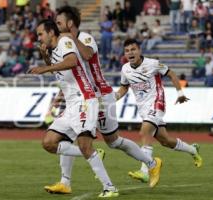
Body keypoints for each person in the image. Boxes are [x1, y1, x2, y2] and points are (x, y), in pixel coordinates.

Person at [42, 6, 162, 194]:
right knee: (72, 135)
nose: (57, 26)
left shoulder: (84, 38)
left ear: (70, 23)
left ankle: (151, 163)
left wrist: (72, 38)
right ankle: (65, 181)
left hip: (101, 95)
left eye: (59, 23)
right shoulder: (62, 42)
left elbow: (88, 55)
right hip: (83, 96)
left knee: (113, 141)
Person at [27, 19, 118, 198]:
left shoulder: (64, 41)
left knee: (84, 145)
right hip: (71, 104)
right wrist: (46, 57)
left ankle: (110, 187)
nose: (38, 37)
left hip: (85, 99)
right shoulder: (53, 49)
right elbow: (59, 72)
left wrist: (45, 67)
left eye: (40, 34)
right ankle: (81, 167)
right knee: (49, 142)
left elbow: (72, 61)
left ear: (51, 33)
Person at [115, 39, 203, 183]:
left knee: (144, 132)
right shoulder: (125, 69)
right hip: (144, 108)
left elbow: (172, 74)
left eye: (133, 49)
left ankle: (145, 170)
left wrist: (180, 94)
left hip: (157, 102)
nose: (130, 52)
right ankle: (193, 150)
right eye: (127, 51)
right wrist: (115, 97)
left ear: (139, 51)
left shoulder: (153, 64)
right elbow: (124, 87)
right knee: (165, 141)